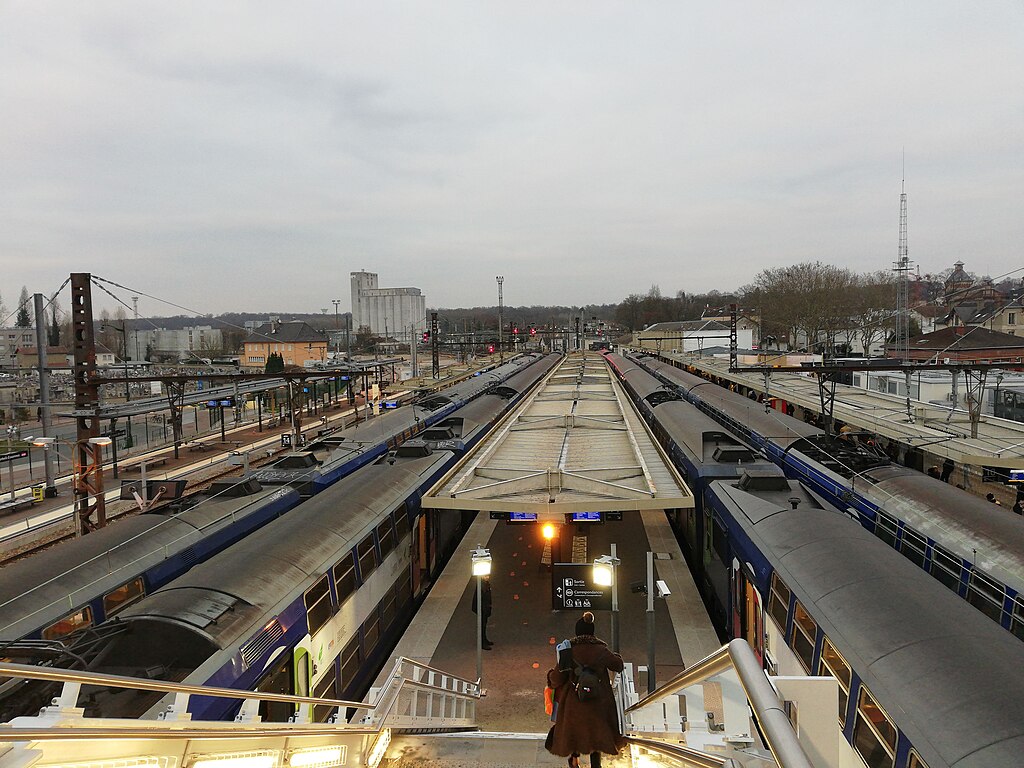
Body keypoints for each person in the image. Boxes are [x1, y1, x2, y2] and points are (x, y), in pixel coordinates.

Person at [545, 612, 624, 768]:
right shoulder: (601, 650)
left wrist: (550, 677)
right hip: (598, 702)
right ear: (592, 632)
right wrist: (615, 656)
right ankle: (596, 764)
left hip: (574, 704)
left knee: (575, 732)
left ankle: (574, 759)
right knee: (596, 731)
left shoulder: (568, 651)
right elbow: (618, 666)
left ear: (577, 632)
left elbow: (557, 679)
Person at [471, 575, 493, 649]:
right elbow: (483, 598)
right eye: (486, 576)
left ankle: (484, 639)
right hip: (482, 609)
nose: (488, 577)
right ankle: (482, 643)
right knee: (482, 626)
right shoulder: (482, 585)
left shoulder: (485, 583)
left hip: (484, 608)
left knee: (484, 625)